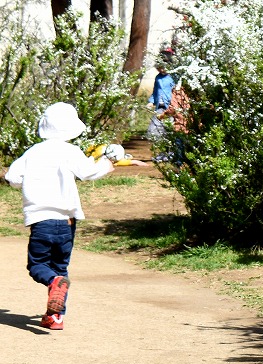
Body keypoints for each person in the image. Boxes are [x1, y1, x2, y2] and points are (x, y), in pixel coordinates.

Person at [5, 103, 122, 330]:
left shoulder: (33, 152)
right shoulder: (71, 151)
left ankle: (53, 282)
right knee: (60, 266)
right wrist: (107, 164)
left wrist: (25, 182)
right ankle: (55, 316)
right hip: (68, 221)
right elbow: (88, 172)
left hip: (41, 221)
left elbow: (12, 177)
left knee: (38, 265)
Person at [146, 48, 177, 141]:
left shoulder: (173, 77)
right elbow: (155, 91)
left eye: (164, 67)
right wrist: (151, 102)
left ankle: (169, 142)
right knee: (155, 125)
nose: (162, 70)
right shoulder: (158, 78)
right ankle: (157, 141)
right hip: (160, 105)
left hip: (170, 106)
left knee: (170, 126)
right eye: (160, 68)